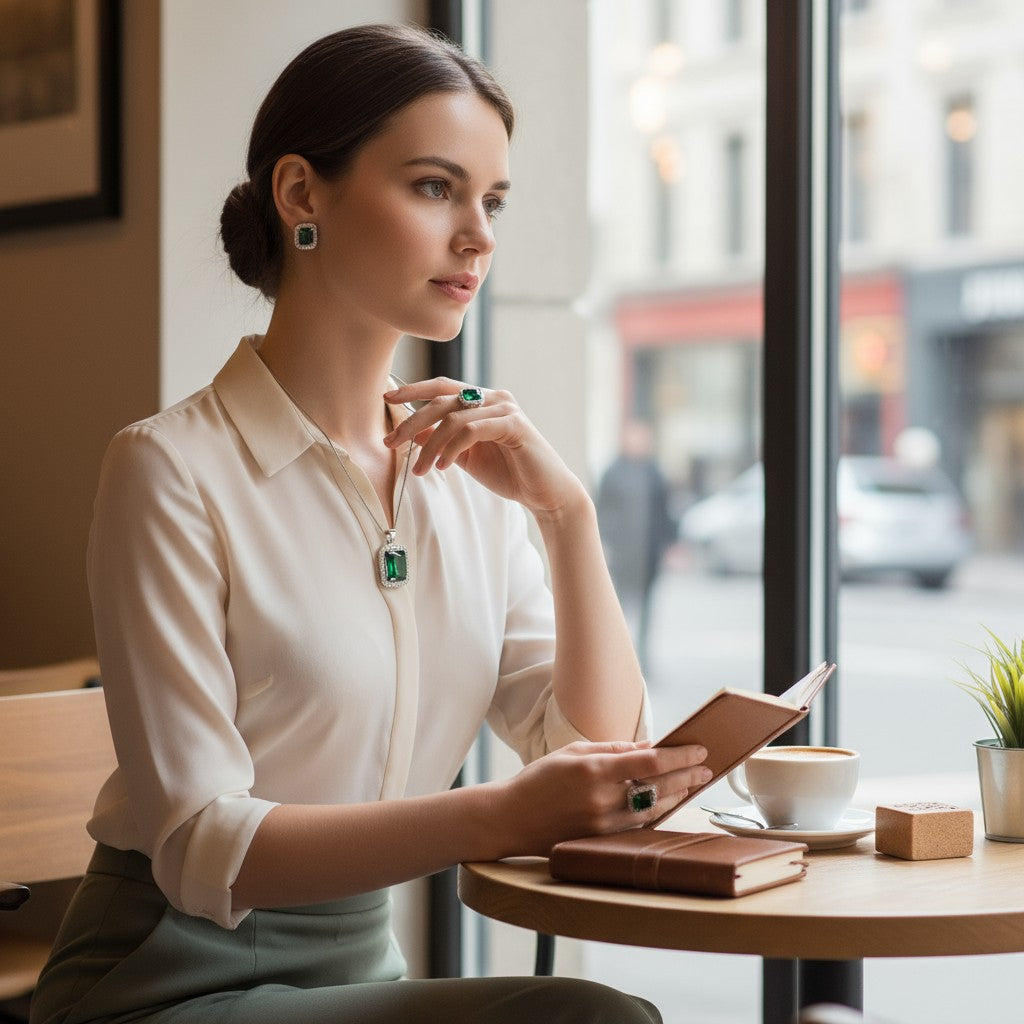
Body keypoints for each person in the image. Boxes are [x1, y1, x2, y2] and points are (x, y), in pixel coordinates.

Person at [30, 23, 710, 1024]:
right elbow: (199, 848)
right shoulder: (169, 471)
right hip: (156, 982)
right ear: (302, 194)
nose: (477, 234)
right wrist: (498, 815)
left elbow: (595, 751)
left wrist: (566, 515)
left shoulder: (478, 480)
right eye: (436, 188)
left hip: (353, 978)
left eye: (493, 200)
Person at [596, 419, 677, 672]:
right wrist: (605, 545)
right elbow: (601, 511)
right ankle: (618, 660)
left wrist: (670, 544)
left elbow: (665, 511)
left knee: (647, 611)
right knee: (619, 609)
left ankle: (643, 660)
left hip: (649, 555)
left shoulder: (654, 472)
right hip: (622, 554)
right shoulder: (613, 472)